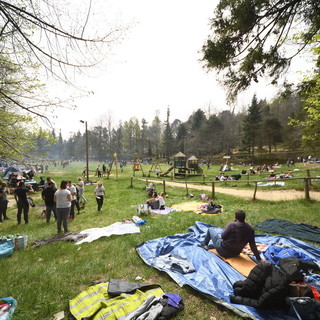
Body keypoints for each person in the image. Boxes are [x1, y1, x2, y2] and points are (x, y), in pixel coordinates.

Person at [199, 210, 265, 262]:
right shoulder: (250, 229)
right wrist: (259, 259)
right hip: (235, 253)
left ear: (235, 217)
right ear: (244, 217)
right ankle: (209, 246)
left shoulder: (232, 225)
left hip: (223, 251)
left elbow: (223, 237)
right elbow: (252, 245)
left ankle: (204, 244)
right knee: (218, 242)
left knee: (211, 230)